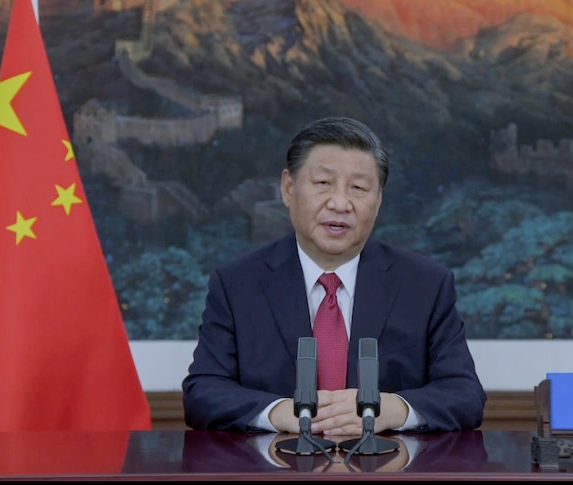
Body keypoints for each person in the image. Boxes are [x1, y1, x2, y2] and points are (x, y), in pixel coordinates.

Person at [182, 116, 486, 436]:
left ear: (378, 200)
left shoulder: (425, 285)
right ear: (288, 188)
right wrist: (277, 413)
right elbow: (203, 393)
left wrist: (393, 408)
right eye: (323, 183)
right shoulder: (237, 284)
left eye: (358, 188)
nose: (340, 203)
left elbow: (464, 394)